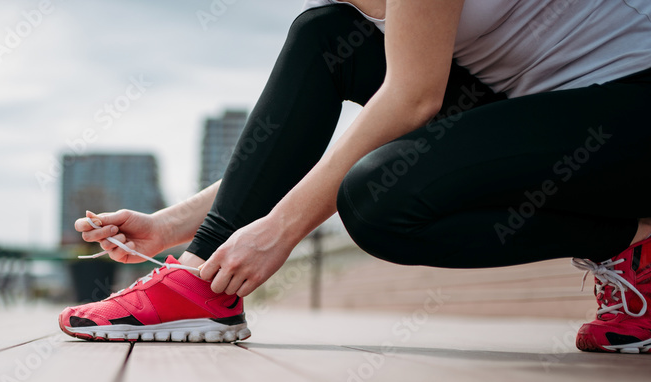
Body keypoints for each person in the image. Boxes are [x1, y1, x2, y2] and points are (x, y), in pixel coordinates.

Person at [58, 0, 651, 353]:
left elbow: (412, 101)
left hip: (632, 106)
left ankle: (635, 241)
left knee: (378, 201)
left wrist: (281, 231)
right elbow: (323, 142)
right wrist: (172, 226)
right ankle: (198, 283)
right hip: (544, 110)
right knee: (326, 36)